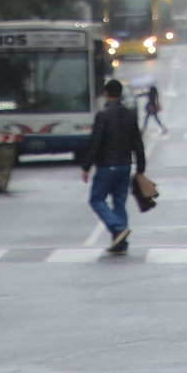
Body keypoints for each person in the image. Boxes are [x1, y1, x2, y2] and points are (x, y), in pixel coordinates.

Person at [81, 78, 146, 255]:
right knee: (119, 203)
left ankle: (118, 228)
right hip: (125, 166)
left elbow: (95, 142)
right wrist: (140, 168)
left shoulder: (103, 115)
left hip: (107, 166)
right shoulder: (129, 115)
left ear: (106, 94)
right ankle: (121, 243)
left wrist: (86, 166)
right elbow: (138, 143)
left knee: (96, 199)